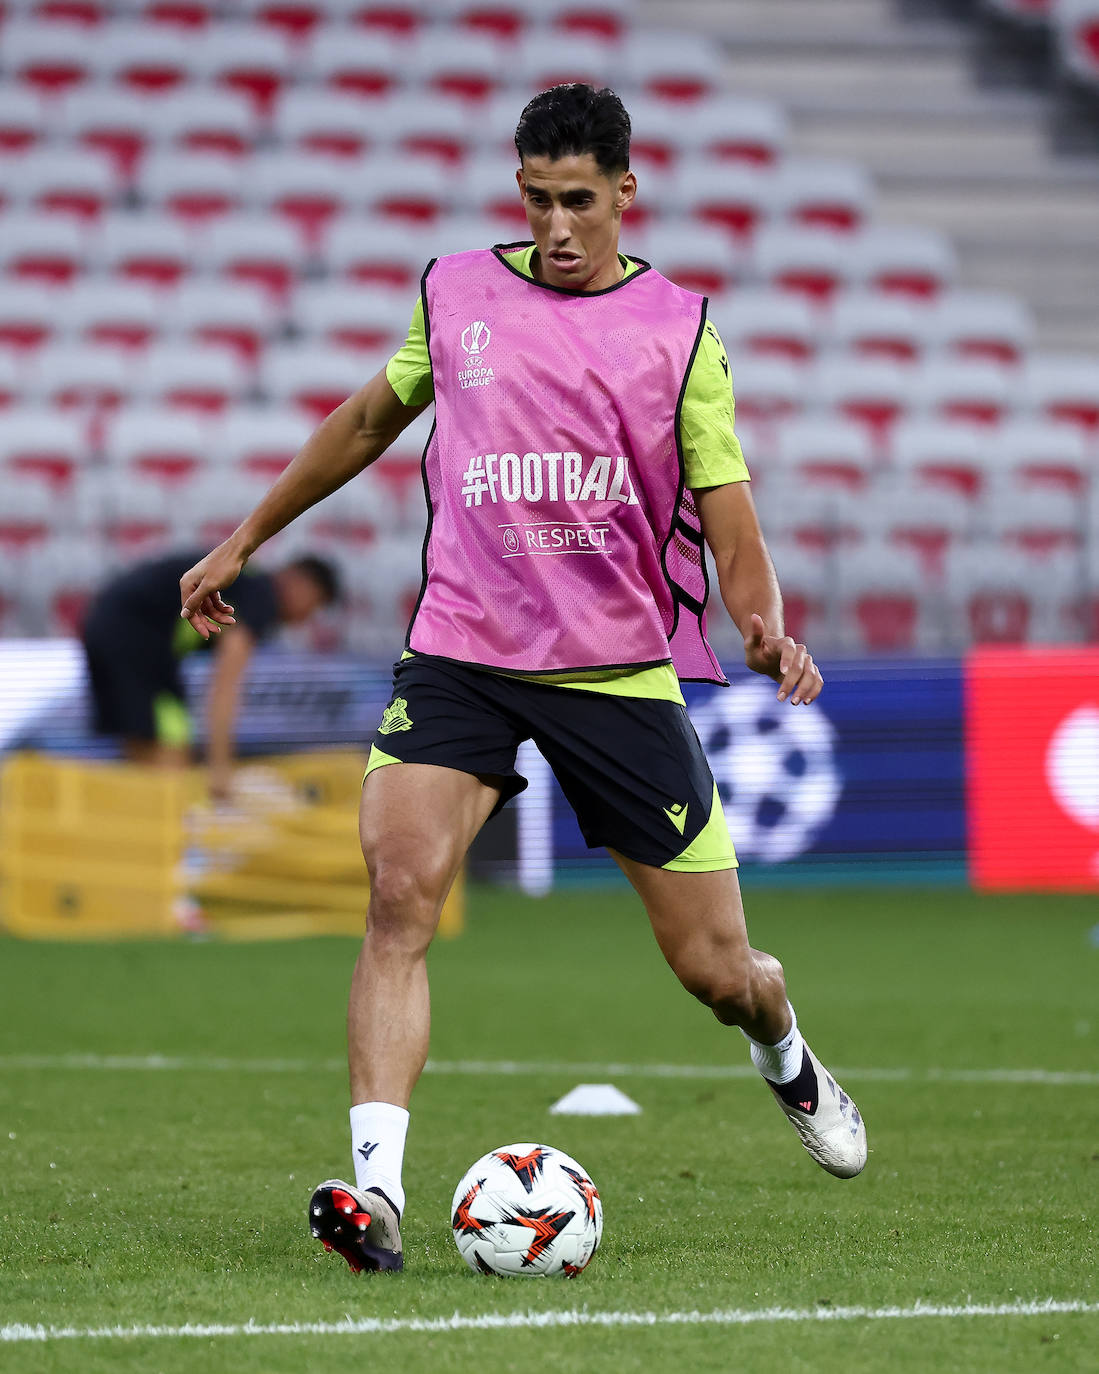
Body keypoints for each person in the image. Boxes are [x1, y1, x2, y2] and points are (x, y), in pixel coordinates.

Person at [180, 84, 867, 1276]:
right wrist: (246, 537)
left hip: (613, 674)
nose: (556, 226)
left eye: (580, 203)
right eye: (538, 200)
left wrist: (762, 627)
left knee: (718, 973)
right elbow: (364, 420)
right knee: (401, 893)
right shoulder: (456, 291)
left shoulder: (679, 331)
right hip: (461, 653)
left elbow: (729, 514)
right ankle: (378, 1195)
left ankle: (785, 1052)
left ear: (624, 194)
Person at [83, 548, 339, 800]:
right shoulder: (262, 594)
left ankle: (144, 823)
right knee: (171, 750)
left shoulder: (245, 583)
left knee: (148, 748)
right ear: (298, 583)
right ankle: (158, 829)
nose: (307, 617)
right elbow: (226, 684)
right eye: (314, 604)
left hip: (111, 626)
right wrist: (220, 770)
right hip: (132, 637)